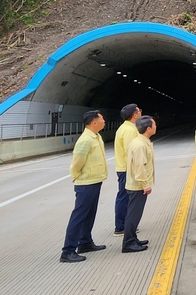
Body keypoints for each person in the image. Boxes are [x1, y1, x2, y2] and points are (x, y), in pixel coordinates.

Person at [60, 110, 108, 263]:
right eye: (101, 118)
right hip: (86, 183)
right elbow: (77, 162)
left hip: (94, 180)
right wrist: (75, 175)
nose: (104, 120)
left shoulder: (96, 137)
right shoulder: (85, 140)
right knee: (79, 216)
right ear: (94, 122)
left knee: (89, 214)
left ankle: (85, 242)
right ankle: (68, 251)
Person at [123, 115, 156, 253]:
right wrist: (145, 184)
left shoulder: (141, 142)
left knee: (135, 213)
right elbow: (140, 166)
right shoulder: (140, 145)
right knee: (133, 214)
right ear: (148, 128)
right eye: (154, 125)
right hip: (137, 186)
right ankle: (128, 243)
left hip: (137, 185)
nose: (155, 127)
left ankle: (133, 238)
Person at [113, 103, 141, 236]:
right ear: (134, 115)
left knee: (125, 196)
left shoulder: (127, 127)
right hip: (127, 169)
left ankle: (125, 224)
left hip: (125, 168)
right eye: (139, 111)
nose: (140, 112)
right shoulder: (129, 130)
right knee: (124, 197)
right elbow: (130, 151)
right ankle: (121, 226)